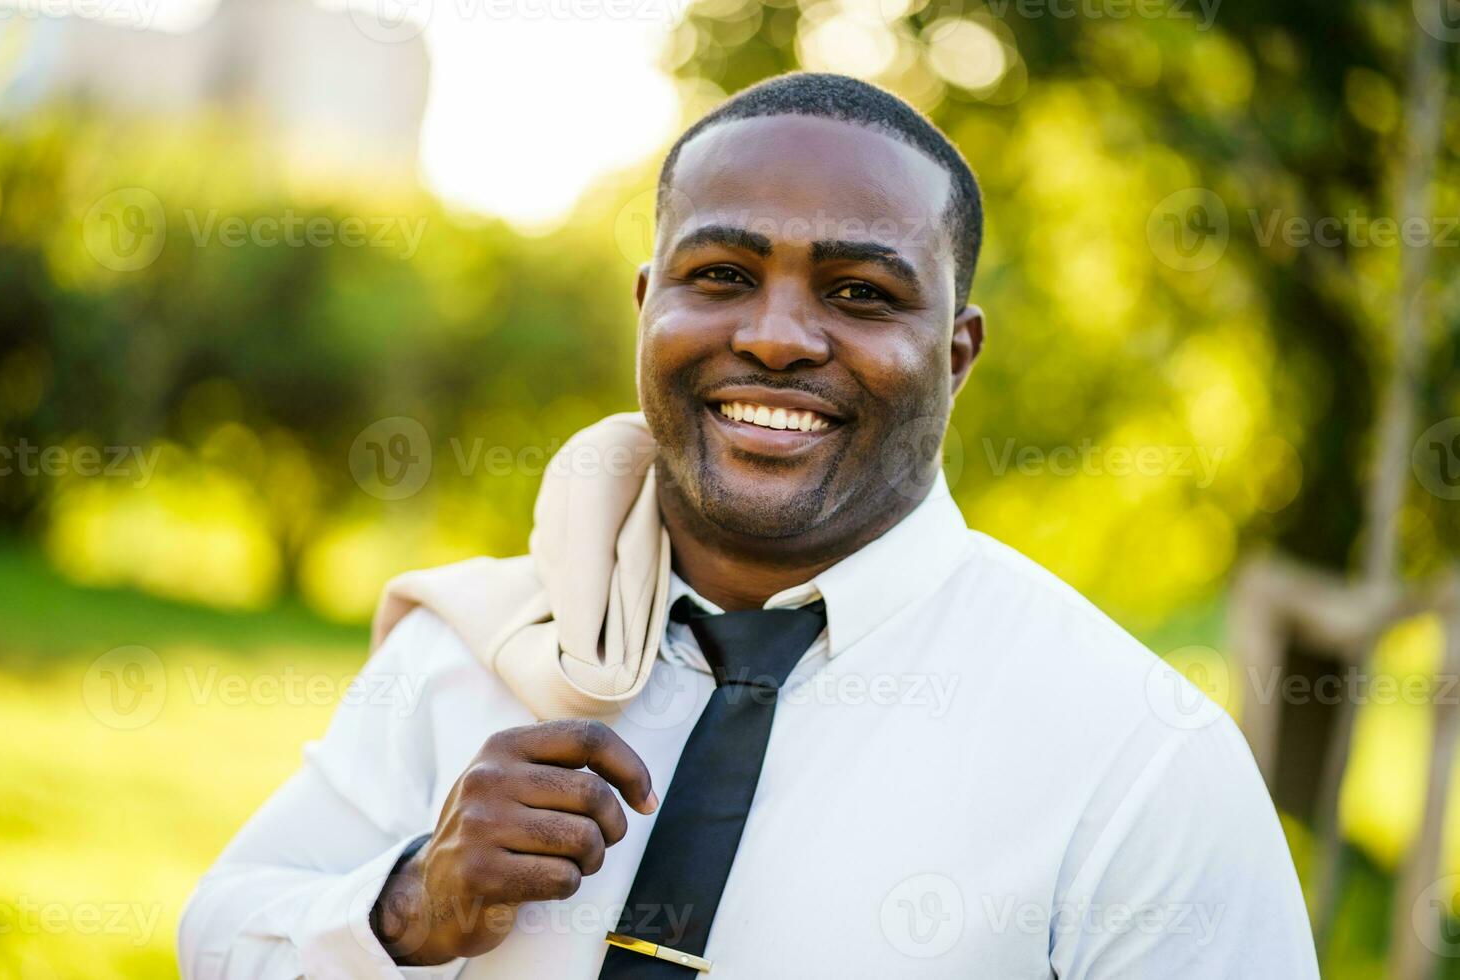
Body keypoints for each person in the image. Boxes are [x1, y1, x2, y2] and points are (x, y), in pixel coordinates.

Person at [179, 71, 1319, 979]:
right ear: (647, 308)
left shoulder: (1136, 757)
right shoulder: (474, 644)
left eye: (860, 292)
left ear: (958, 353)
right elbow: (219, 937)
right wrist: (412, 905)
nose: (776, 336)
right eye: (721, 273)